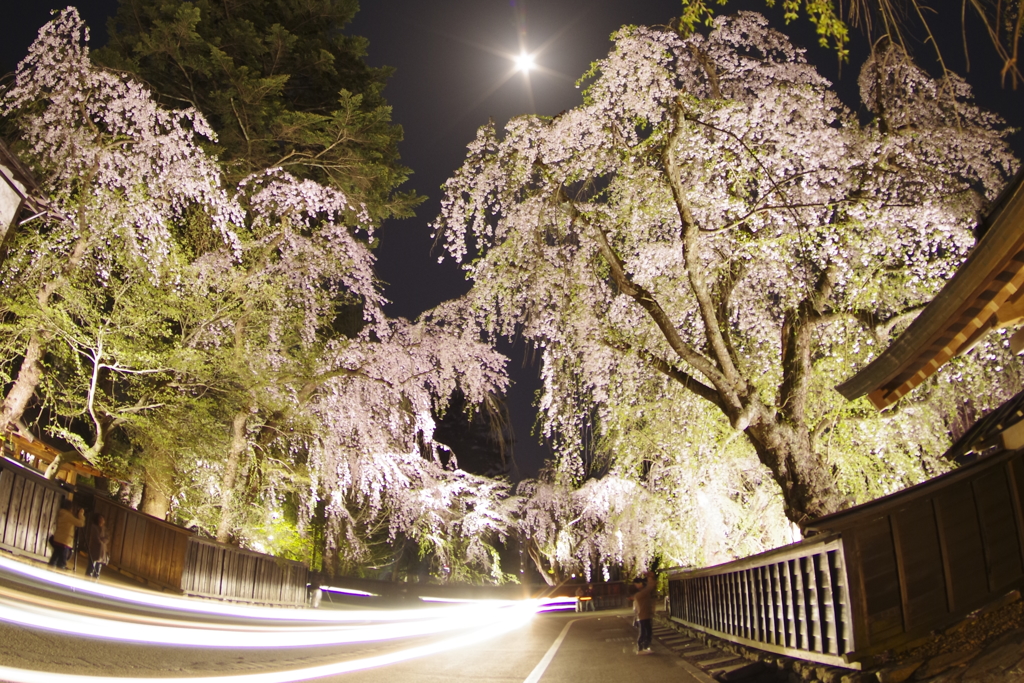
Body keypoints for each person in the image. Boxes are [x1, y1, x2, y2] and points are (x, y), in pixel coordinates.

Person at [48, 499, 85, 570]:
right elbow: (80, 523)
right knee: (61, 562)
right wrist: (81, 514)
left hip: (58, 539)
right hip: (64, 541)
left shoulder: (61, 513)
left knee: (54, 558)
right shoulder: (67, 515)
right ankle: (59, 574)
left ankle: (49, 571)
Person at [630, 570, 656, 655]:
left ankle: (644, 647)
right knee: (644, 632)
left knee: (647, 632)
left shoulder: (639, 595)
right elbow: (650, 587)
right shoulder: (640, 595)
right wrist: (650, 577)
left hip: (644, 615)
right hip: (643, 616)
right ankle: (641, 648)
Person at [86, 512, 109, 578]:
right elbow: (96, 538)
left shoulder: (104, 529)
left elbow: (107, 538)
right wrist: (101, 541)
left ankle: (96, 577)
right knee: (91, 565)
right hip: (95, 549)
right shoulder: (94, 527)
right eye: (100, 519)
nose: (101, 520)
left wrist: (103, 541)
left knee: (98, 567)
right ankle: (88, 577)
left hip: (102, 551)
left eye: (102, 519)